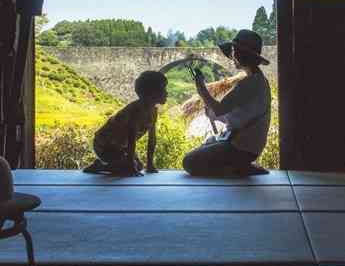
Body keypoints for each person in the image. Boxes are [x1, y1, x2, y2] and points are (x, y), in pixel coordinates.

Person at [183, 30, 271, 176]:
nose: (232, 56)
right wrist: (214, 114)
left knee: (189, 162)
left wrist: (202, 89)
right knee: (205, 148)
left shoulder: (250, 83)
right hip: (249, 147)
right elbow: (239, 116)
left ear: (240, 55)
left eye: (233, 51)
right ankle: (240, 166)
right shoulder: (258, 81)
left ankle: (238, 167)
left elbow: (219, 109)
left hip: (241, 148)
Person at [83, 71, 168, 176]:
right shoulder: (136, 110)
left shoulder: (153, 111)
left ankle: (107, 165)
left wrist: (150, 164)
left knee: (139, 166)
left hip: (120, 146)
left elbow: (152, 139)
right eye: (163, 89)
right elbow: (131, 138)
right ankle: (100, 166)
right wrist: (130, 165)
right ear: (152, 93)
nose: (166, 93)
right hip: (104, 145)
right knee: (128, 167)